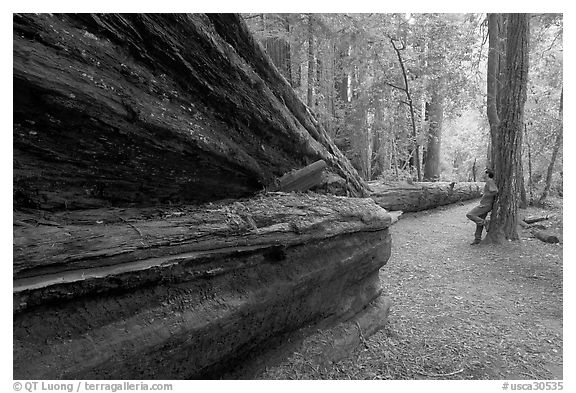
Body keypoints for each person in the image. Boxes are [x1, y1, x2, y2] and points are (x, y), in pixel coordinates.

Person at [466, 168, 498, 245]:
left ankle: (485, 223)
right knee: (479, 221)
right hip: (485, 204)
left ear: (487, 174)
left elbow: (495, 190)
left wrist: (487, 195)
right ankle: (477, 238)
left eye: (484, 173)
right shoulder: (488, 181)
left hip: (485, 205)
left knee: (470, 214)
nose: (483, 174)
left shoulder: (490, 181)